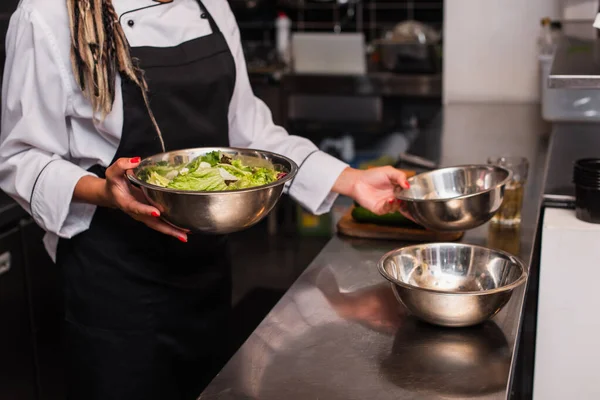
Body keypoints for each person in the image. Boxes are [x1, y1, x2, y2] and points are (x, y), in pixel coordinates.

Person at [0, 0, 408, 399]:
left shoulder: (211, 6)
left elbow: (252, 137)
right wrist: (104, 191)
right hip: (114, 284)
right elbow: (20, 158)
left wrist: (352, 180)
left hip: (204, 274)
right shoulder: (52, 13)